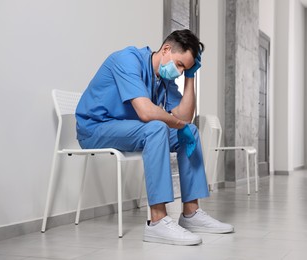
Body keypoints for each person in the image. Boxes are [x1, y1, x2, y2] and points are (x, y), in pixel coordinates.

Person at [75, 29, 233, 246]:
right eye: (179, 65)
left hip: (128, 130)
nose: (178, 72)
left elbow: (185, 118)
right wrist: (176, 123)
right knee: (157, 127)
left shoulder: (163, 78)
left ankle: (191, 213)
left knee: (191, 133)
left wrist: (190, 77)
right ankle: (157, 222)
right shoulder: (127, 60)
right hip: (95, 129)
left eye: (183, 68)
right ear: (166, 49)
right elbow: (146, 112)